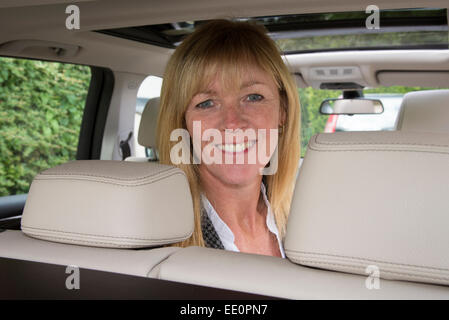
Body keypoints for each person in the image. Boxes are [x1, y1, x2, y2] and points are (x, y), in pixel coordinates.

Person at [156, 19, 300, 257]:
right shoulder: (160, 240)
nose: (232, 123)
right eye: (206, 103)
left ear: (282, 110)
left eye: (253, 97)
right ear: (183, 123)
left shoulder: (307, 223)